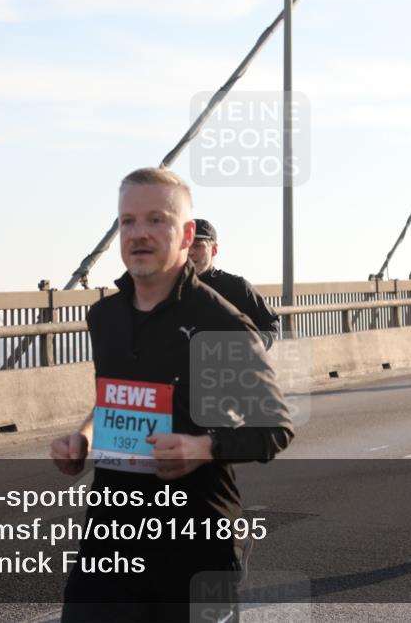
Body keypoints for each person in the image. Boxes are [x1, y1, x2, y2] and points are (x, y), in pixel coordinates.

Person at [51, 168, 293, 621]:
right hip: (112, 534)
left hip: (196, 537)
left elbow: (273, 428)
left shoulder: (218, 321)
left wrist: (203, 447)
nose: (139, 234)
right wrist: (83, 438)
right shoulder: (104, 317)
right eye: (128, 221)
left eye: (156, 220)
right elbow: (115, 399)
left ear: (186, 235)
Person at [188, 219, 280, 349]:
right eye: (186, 245)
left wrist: (251, 351)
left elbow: (270, 323)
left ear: (214, 250)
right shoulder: (169, 288)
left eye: (197, 245)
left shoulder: (237, 287)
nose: (190, 252)